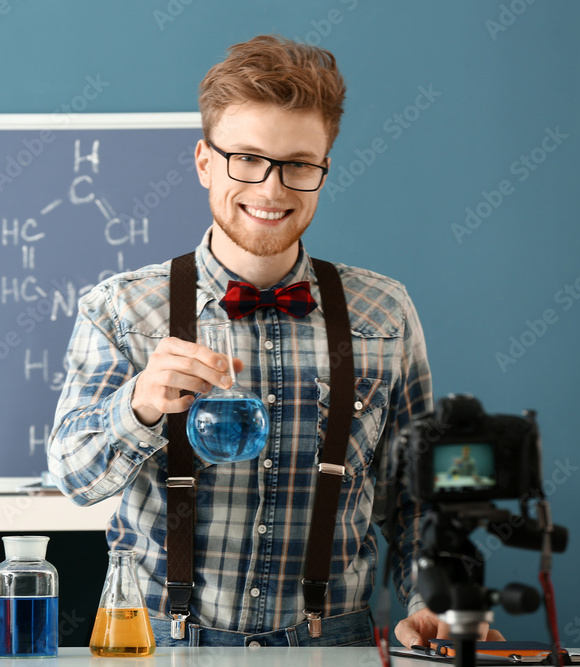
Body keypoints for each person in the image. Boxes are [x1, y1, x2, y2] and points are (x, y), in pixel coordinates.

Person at [48, 35, 502, 648]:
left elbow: (418, 498)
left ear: (323, 171)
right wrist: (140, 405)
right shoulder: (123, 307)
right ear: (206, 161)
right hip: (159, 646)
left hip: (333, 645)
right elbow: (74, 478)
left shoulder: (384, 311)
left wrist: (437, 599)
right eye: (247, 159)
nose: (271, 188)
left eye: (297, 164)